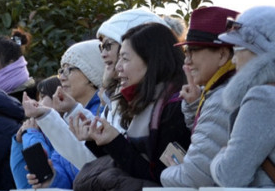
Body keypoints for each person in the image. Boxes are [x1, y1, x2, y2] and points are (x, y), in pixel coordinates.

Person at [23, 9, 168, 171]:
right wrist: (50, 116)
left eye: (108, 45)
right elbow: (93, 164)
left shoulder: (165, 104)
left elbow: (150, 174)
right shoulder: (113, 103)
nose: (103, 54)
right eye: (101, 47)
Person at [72, 22, 191, 191]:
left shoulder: (176, 107)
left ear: (152, 61)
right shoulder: (145, 102)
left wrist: (114, 141)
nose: (118, 67)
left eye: (125, 59)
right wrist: (98, 139)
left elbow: (160, 176)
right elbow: (131, 162)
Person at [209, 6, 275, 188]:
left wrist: (219, 156)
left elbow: (230, 177)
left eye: (237, 48)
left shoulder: (264, 98)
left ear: (260, 51)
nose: (233, 60)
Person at [160, 6, 239, 188]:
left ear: (222, 55)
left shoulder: (222, 99)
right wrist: (196, 106)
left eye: (193, 51)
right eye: (186, 52)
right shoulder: (222, 92)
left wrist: (165, 173)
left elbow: (193, 178)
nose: (187, 60)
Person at [13, 41, 104, 189]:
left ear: (91, 72)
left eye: (69, 69)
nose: (62, 77)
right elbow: (64, 169)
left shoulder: (105, 114)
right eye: (61, 70)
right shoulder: (70, 116)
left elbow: (91, 164)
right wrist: (52, 176)